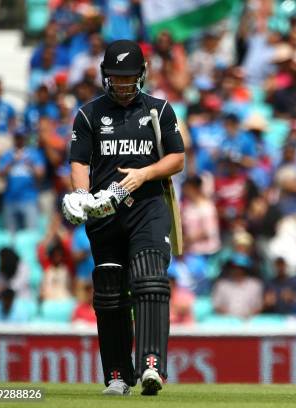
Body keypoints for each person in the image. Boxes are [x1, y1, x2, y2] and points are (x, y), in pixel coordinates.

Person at [61, 40, 185, 396]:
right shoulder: (88, 114)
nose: (124, 85)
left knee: (149, 278)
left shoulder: (159, 110)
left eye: (129, 78)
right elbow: (80, 162)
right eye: (117, 78)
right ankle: (117, 374)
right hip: (105, 214)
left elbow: (177, 159)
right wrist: (82, 198)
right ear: (106, 77)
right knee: (110, 292)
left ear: (142, 75)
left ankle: (152, 366)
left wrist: (144, 174)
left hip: (147, 208)